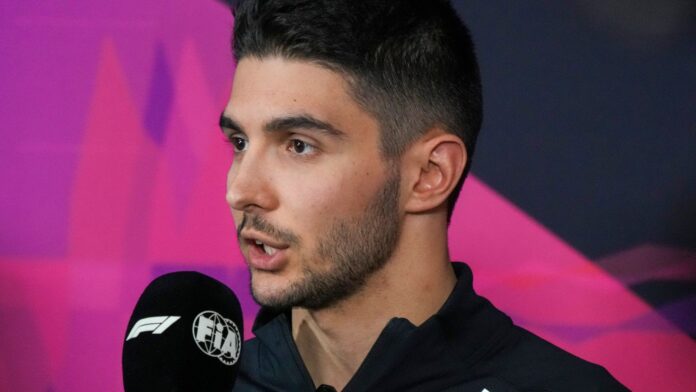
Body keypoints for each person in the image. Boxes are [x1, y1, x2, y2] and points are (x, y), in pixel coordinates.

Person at [220, 0, 627, 390]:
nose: (239, 191)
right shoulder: (199, 381)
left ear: (429, 174)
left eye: (298, 146)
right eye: (239, 142)